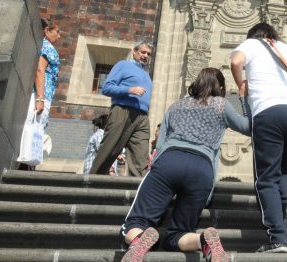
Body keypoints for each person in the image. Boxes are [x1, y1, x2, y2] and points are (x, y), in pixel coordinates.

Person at [119, 68, 250, 262]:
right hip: (201, 169)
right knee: (176, 234)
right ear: (220, 87)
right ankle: (203, 240)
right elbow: (249, 127)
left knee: (136, 222)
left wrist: (155, 170)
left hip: (169, 161)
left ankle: (139, 240)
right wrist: (244, 100)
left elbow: (161, 144)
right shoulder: (222, 105)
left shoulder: (176, 105)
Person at [230, 22, 287, 253]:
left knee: (266, 177)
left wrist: (241, 83)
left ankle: (278, 238)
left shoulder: (251, 44)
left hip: (269, 112)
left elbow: (235, 62)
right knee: (285, 169)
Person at [90, 41, 154, 177]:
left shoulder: (146, 74)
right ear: (134, 51)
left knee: (141, 156)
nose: (145, 56)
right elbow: (107, 88)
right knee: (110, 148)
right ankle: (92, 182)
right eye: (143, 52)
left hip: (142, 117)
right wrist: (129, 90)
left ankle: (135, 190)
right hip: (123, 110)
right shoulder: (123, 65)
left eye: (148, 54)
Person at [17, 18, 61, 170]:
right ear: (47, 31)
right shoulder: (47, 47)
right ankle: (25, 162)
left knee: (38, 126)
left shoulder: (47, 46)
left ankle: (27, 162)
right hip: (41, 93)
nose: (59, 36)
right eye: (57, 32)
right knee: (34, 124)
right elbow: (40, 70)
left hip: (45, 93)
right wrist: (40, 98)